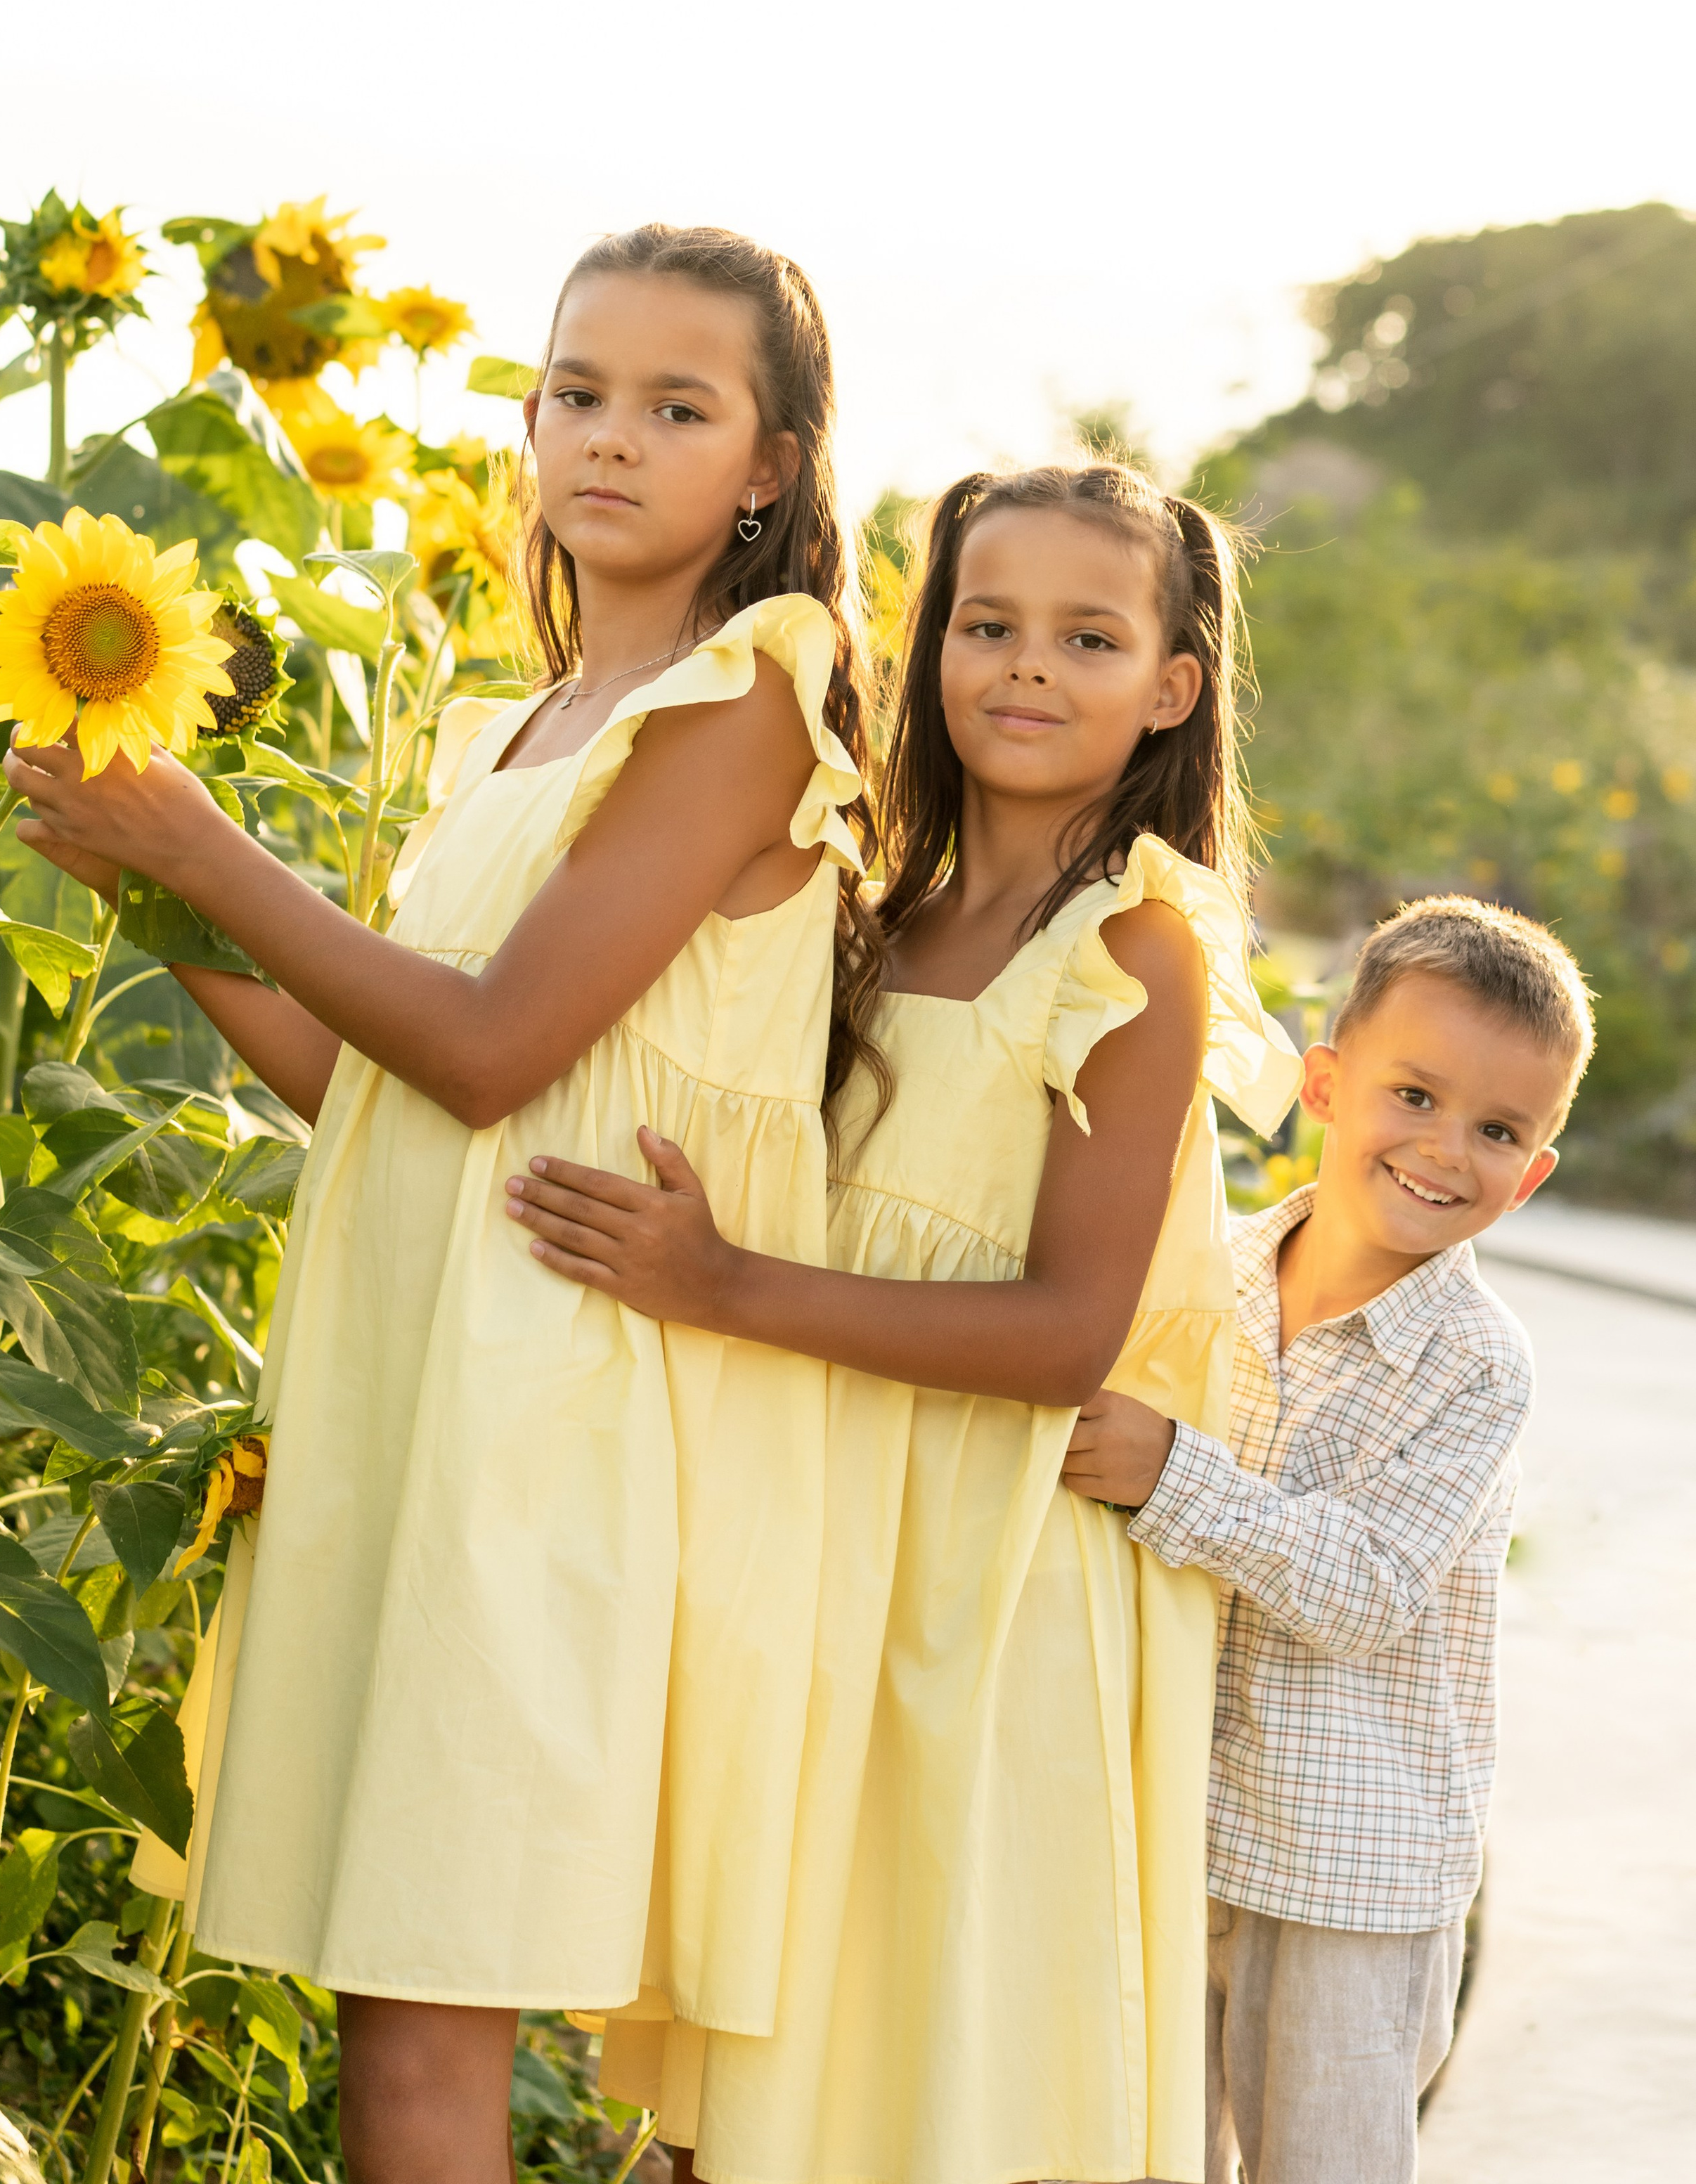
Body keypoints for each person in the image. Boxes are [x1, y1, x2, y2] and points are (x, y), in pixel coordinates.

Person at [2, 223, 881, 2184]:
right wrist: (141, 878)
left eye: (678, 405)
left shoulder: (751, 693)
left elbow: (491, 1051)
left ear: (770, 466)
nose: (608, 438)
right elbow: (377, 1097)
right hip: (427, 1395)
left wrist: (214, 851)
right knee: (391, 2018)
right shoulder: (517, 730)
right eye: (575, 391)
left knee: (424, 2025)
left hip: (552, 1425)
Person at [509, 460, 1302, 2184]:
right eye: (984, 621)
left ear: (1169, 689)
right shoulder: (874, 915)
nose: (1025, 664)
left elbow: (1065, 1331)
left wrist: (717, 1284)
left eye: (1088, 637)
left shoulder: (1130, 945)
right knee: (793, 2025)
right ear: (931, 643)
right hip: (828, 1541)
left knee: (939, 2047)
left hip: (999, 1579)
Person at [1063, 895, 1593, 2184]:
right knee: (1140, 2150)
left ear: (1529, 1176)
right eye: (1413, 1094)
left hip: (1354, 1873)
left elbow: (1368, 1584)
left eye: (1496, 1130)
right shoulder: (1210, 1279)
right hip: (1175, 1827)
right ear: (1325, 1084)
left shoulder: (1476, 1366)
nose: (1443, 1147)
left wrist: (1171, 1475)